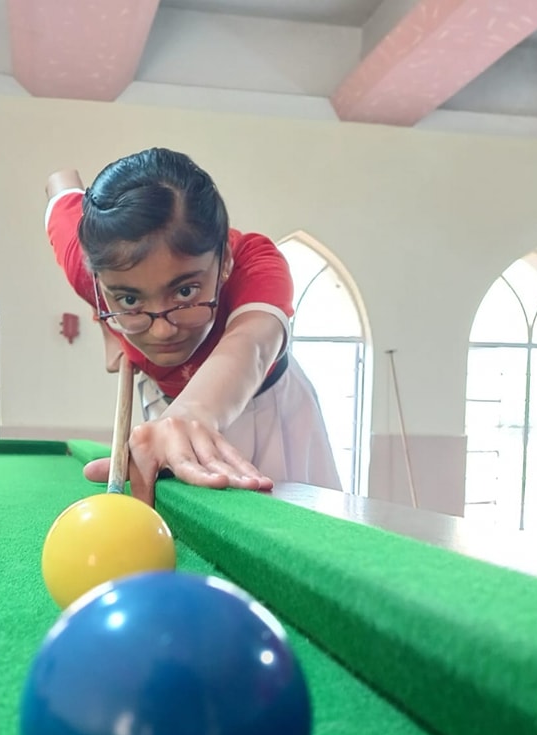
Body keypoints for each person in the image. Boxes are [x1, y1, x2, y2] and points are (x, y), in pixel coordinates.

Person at [44, 147, 341, 505]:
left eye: (185, 292)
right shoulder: (86, 265)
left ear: (224, 261)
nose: (162, 332)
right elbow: (60, 182)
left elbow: (250, 346)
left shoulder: (254, 263)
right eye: (129, 299)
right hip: (166, 418)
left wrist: (189, 414)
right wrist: (107, 325)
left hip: (269, 410)